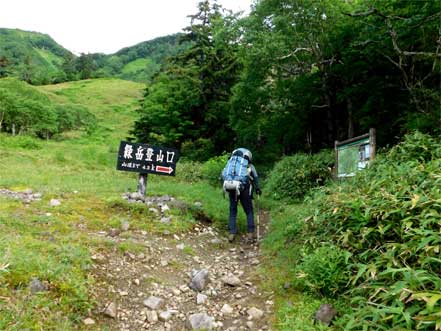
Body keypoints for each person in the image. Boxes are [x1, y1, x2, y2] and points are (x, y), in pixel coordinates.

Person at [224, 148, 261, 243]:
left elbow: (224, 175)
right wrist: (257, 188)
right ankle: (250, 234)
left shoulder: (231, 164)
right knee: (249, 211)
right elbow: (255, 177)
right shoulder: (248, 165)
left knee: (232, 210)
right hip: (244, 189)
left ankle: (232, 233)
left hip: (232, 186)